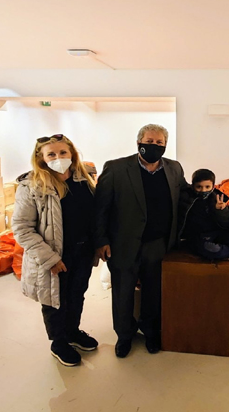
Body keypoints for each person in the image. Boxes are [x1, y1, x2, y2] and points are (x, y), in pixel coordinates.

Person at [94, 124, 186, 358]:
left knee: (153, 291)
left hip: (157, 243)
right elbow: (101, 207)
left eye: (159, 143)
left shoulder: (174, 168)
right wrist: (101, 239)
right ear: (138, 143)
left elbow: (185, 196)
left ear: (165, 145)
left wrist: (212, 200)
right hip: (122, 243)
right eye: (149, 141)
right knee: (123, 292)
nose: (154, 146)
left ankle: (150, 330)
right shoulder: (116, 168)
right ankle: (124, 335)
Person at [11, 134, 99, 367]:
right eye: (51, 154)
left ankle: (73, 332)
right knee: (54, 300)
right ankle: (58, 342)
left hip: (82, 252)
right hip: (54, 256)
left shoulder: (83, 180)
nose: (58, 157)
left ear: (71, 154)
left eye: (63, 152)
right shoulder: (31, 186)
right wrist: (49, 258)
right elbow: (22, 228)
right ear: (41, 158)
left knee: (76, 294)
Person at [178, 168, 229, 299]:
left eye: (207, 187)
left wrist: (221, 210)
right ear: (193, 185)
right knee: (214, 251)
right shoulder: (185, 197)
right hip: (197, 236)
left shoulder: (218, 198)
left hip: (218, 232)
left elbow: (226, 223)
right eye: (199, 187)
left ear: (213, 185)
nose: (203, 190)